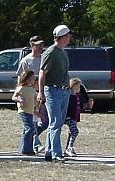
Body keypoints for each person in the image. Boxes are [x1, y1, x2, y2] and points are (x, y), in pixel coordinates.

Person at [38, 24, 73, 162]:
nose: (70, 37)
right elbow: (42, 73)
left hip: (64, 91)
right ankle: (56, 154)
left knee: (56, 122)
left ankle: (49, 151)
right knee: (56, 122)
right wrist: (41, 92)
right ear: (63, 37)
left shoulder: (63, 52)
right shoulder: (51, 52)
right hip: (52, 90)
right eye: (68, 35)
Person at [17, 35, 48, 153]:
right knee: (32, 122)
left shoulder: (44, 58)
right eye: (37, 45)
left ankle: (25, 145)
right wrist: (19, 96)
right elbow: (20, 79)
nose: (40, 47)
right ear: (31, 45)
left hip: (41, 94)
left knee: (44, 122)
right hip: (28, 95)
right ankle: (35, 144)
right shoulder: (25, 61)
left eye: (41, 45)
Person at [12, 70, 39, 155]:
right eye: (32, 78)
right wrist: (19, 100)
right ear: (27, 79)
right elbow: (14, 97)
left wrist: (39, 104)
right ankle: (27, 149)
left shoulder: (32, 90)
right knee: (30, 128)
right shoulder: (21, 88)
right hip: (23, 111)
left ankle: (23, 149)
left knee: (27, 129)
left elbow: (35, 100)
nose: (34, 80)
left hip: (30, 112)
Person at [64, 77, 89, 156]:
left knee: (71, 132)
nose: (79, 88)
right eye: (78, 86)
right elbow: (68, 108)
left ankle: (67, 148)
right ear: (74, 86)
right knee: (75, 131)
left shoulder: (78, 96)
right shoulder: (69, 96)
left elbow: (81, 105)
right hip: (70, 117)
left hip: (75, 117)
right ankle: (69, 147)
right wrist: (67, 116)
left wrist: (87, 105)